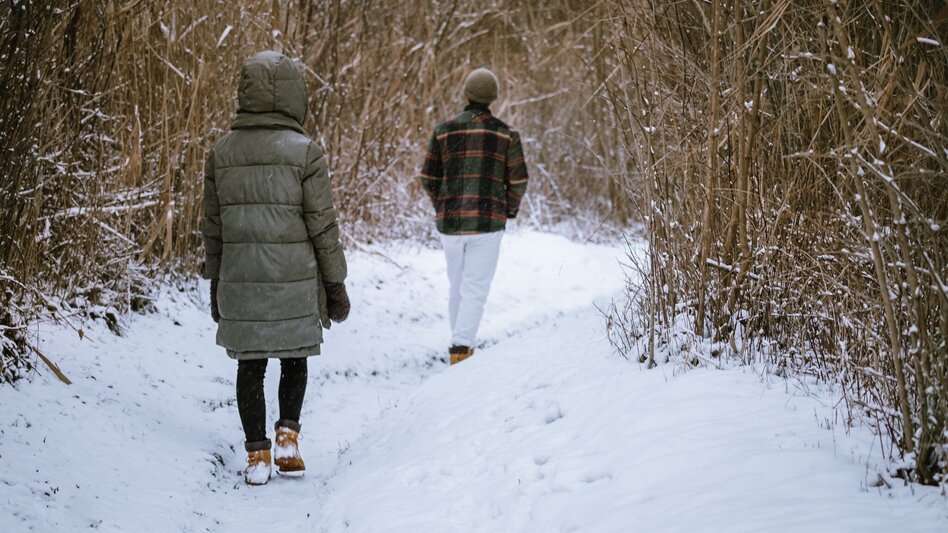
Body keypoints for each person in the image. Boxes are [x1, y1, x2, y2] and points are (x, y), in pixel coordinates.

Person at [202, 51, 350, 486]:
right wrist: (335, 283)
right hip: (294, 280)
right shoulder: (306, 153)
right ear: (293, 95)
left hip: (241, 280)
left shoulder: (221, 152)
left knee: (250, 365)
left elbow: (213, 226)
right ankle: (288, 439)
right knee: (294, 356)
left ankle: (257, 456)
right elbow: (322, 225)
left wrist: (216, 281)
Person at [419, 67, 529, 365]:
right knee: (475, 288)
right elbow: (519, 180)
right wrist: (508, 209)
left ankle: (459, 343)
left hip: (451, 223)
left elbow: (428, 176)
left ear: (466, 94)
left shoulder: (443, 131)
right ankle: (461, 349)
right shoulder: (506, 135)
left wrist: (442, 203)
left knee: (457, 286)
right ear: (493, 97)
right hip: (487, 223)